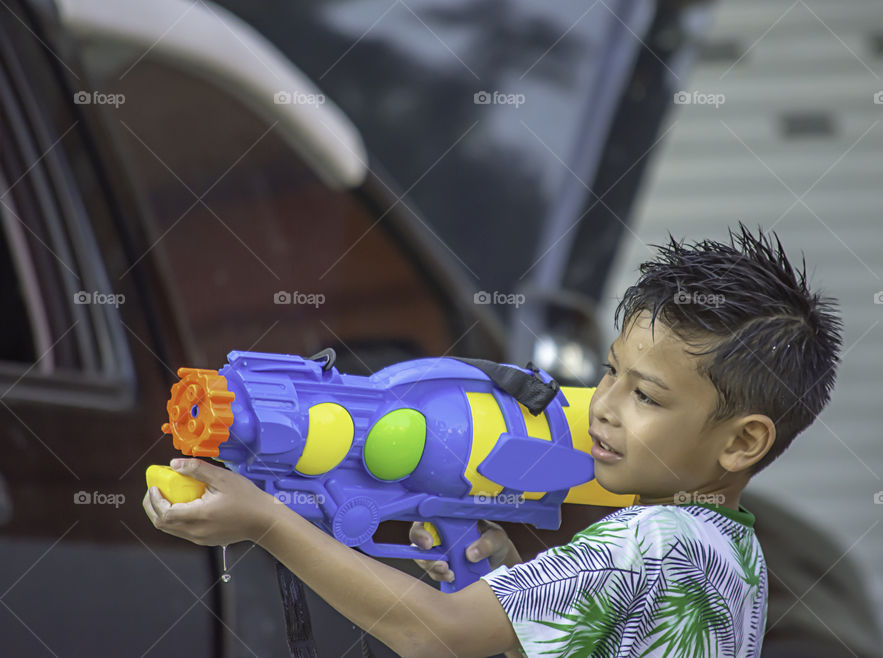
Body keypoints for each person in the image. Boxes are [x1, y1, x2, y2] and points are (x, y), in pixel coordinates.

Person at [143, 224, 843, 657]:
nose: (603, 407)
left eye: (646, 396)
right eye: (609, 372)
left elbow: (436, 636)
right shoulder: (733, 550)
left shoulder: (647, 540)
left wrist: (267, 523)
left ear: (742, 442)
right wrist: (516, 580)